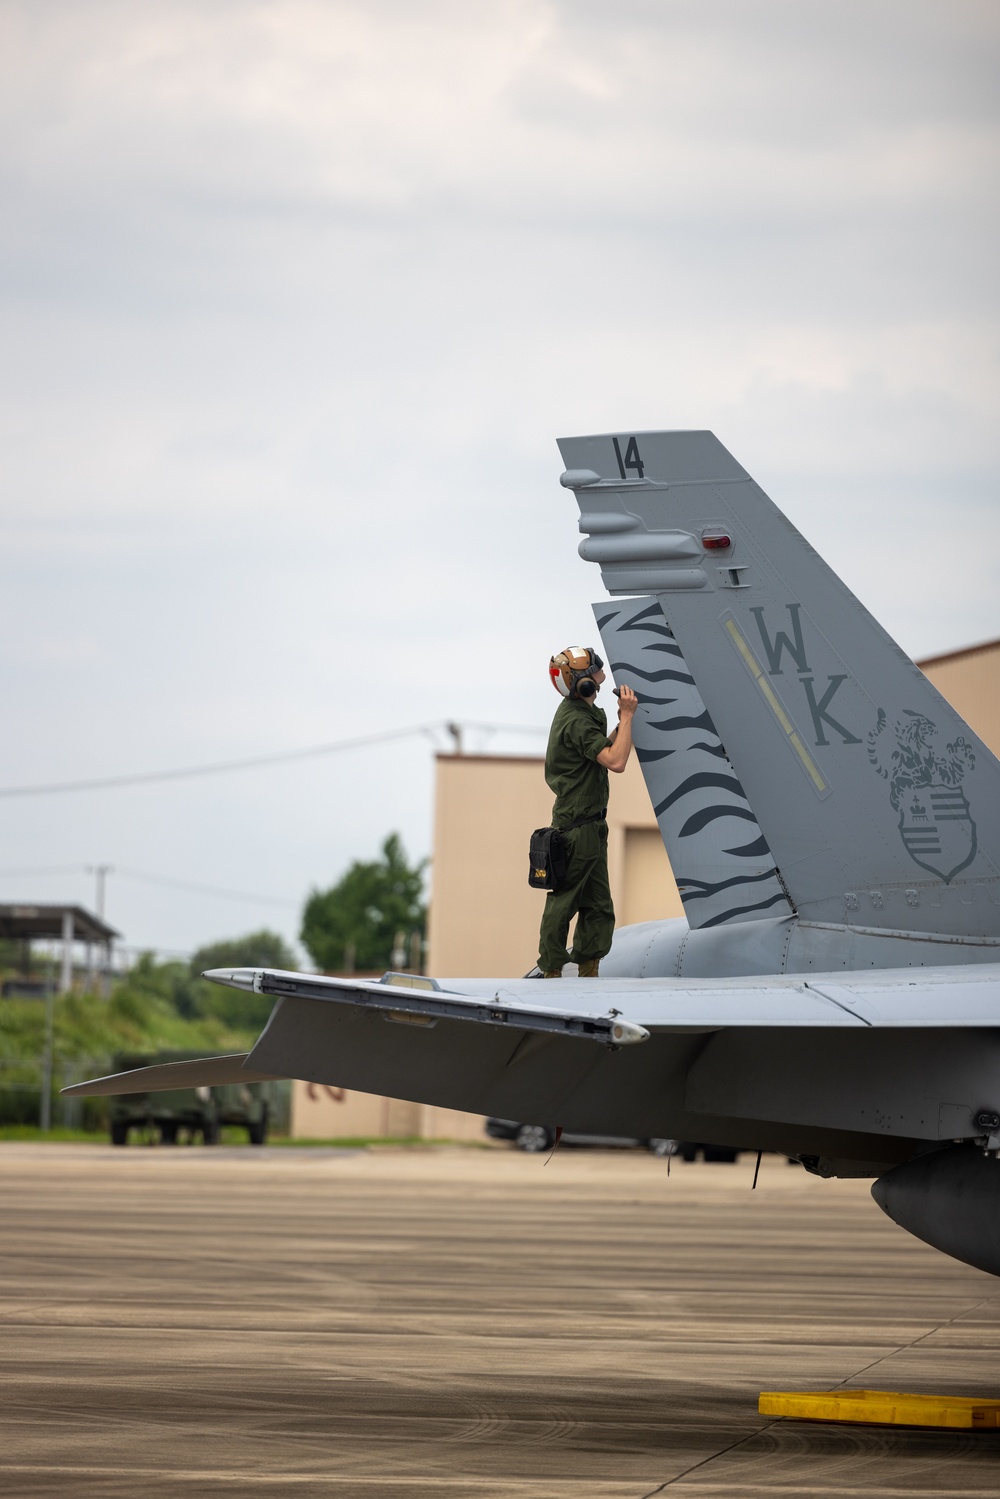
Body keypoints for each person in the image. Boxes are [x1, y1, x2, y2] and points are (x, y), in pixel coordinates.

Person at [537, 647, 638, 978]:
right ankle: (551, 969)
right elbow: (616, 762)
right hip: (577, 828)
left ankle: (588, 968)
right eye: (594, 671)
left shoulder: (581, 715)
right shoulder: (577, 720)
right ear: (581, 685)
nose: (600, 674)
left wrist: (624, 725)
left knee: (598, 905)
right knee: (564, 901)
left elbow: (603, 750)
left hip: (591, 825)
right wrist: (626, 718)